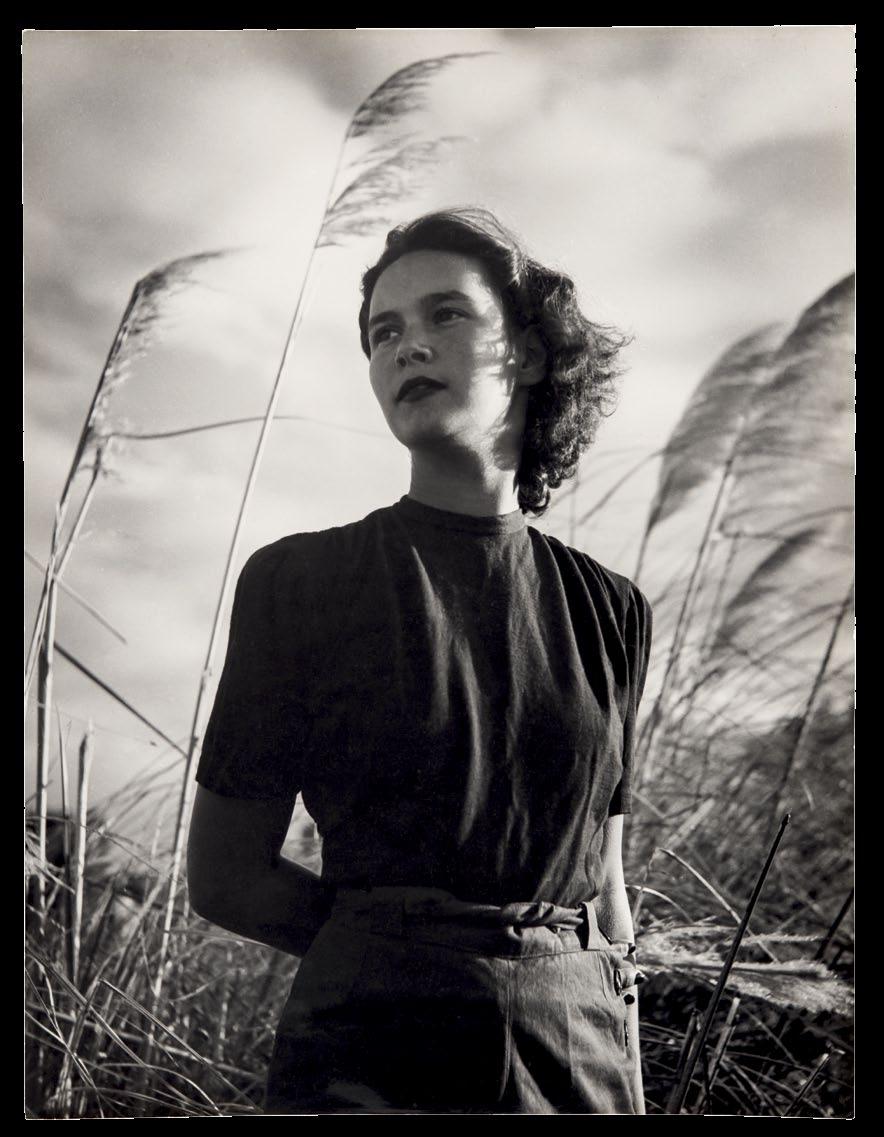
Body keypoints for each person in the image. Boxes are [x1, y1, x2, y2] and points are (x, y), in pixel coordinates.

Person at [187, 208, 654, 1115]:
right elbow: (227, 876)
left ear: (529, 351)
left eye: (447, 314)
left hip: (578, 1048)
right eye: (384, 331)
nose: (409, 346)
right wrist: (402, 950)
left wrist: (611, 1040)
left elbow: (604, 884)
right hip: (372, 1047)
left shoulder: (613, 609)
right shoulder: (301, 581)